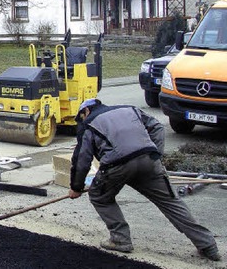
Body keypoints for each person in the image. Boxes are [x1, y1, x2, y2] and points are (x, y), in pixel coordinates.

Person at [68, 98, 221, 261]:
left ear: (86, 112)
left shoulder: (89, 123)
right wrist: (155, 155)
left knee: (100, 197)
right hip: (148, 160)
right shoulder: (130, 108)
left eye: (81, 117)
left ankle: (120, 239)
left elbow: (81, 160)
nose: (81, 121)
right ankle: (208, 246)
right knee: (170, 202)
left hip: (116, 166)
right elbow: (157, 128)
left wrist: (76, 187)